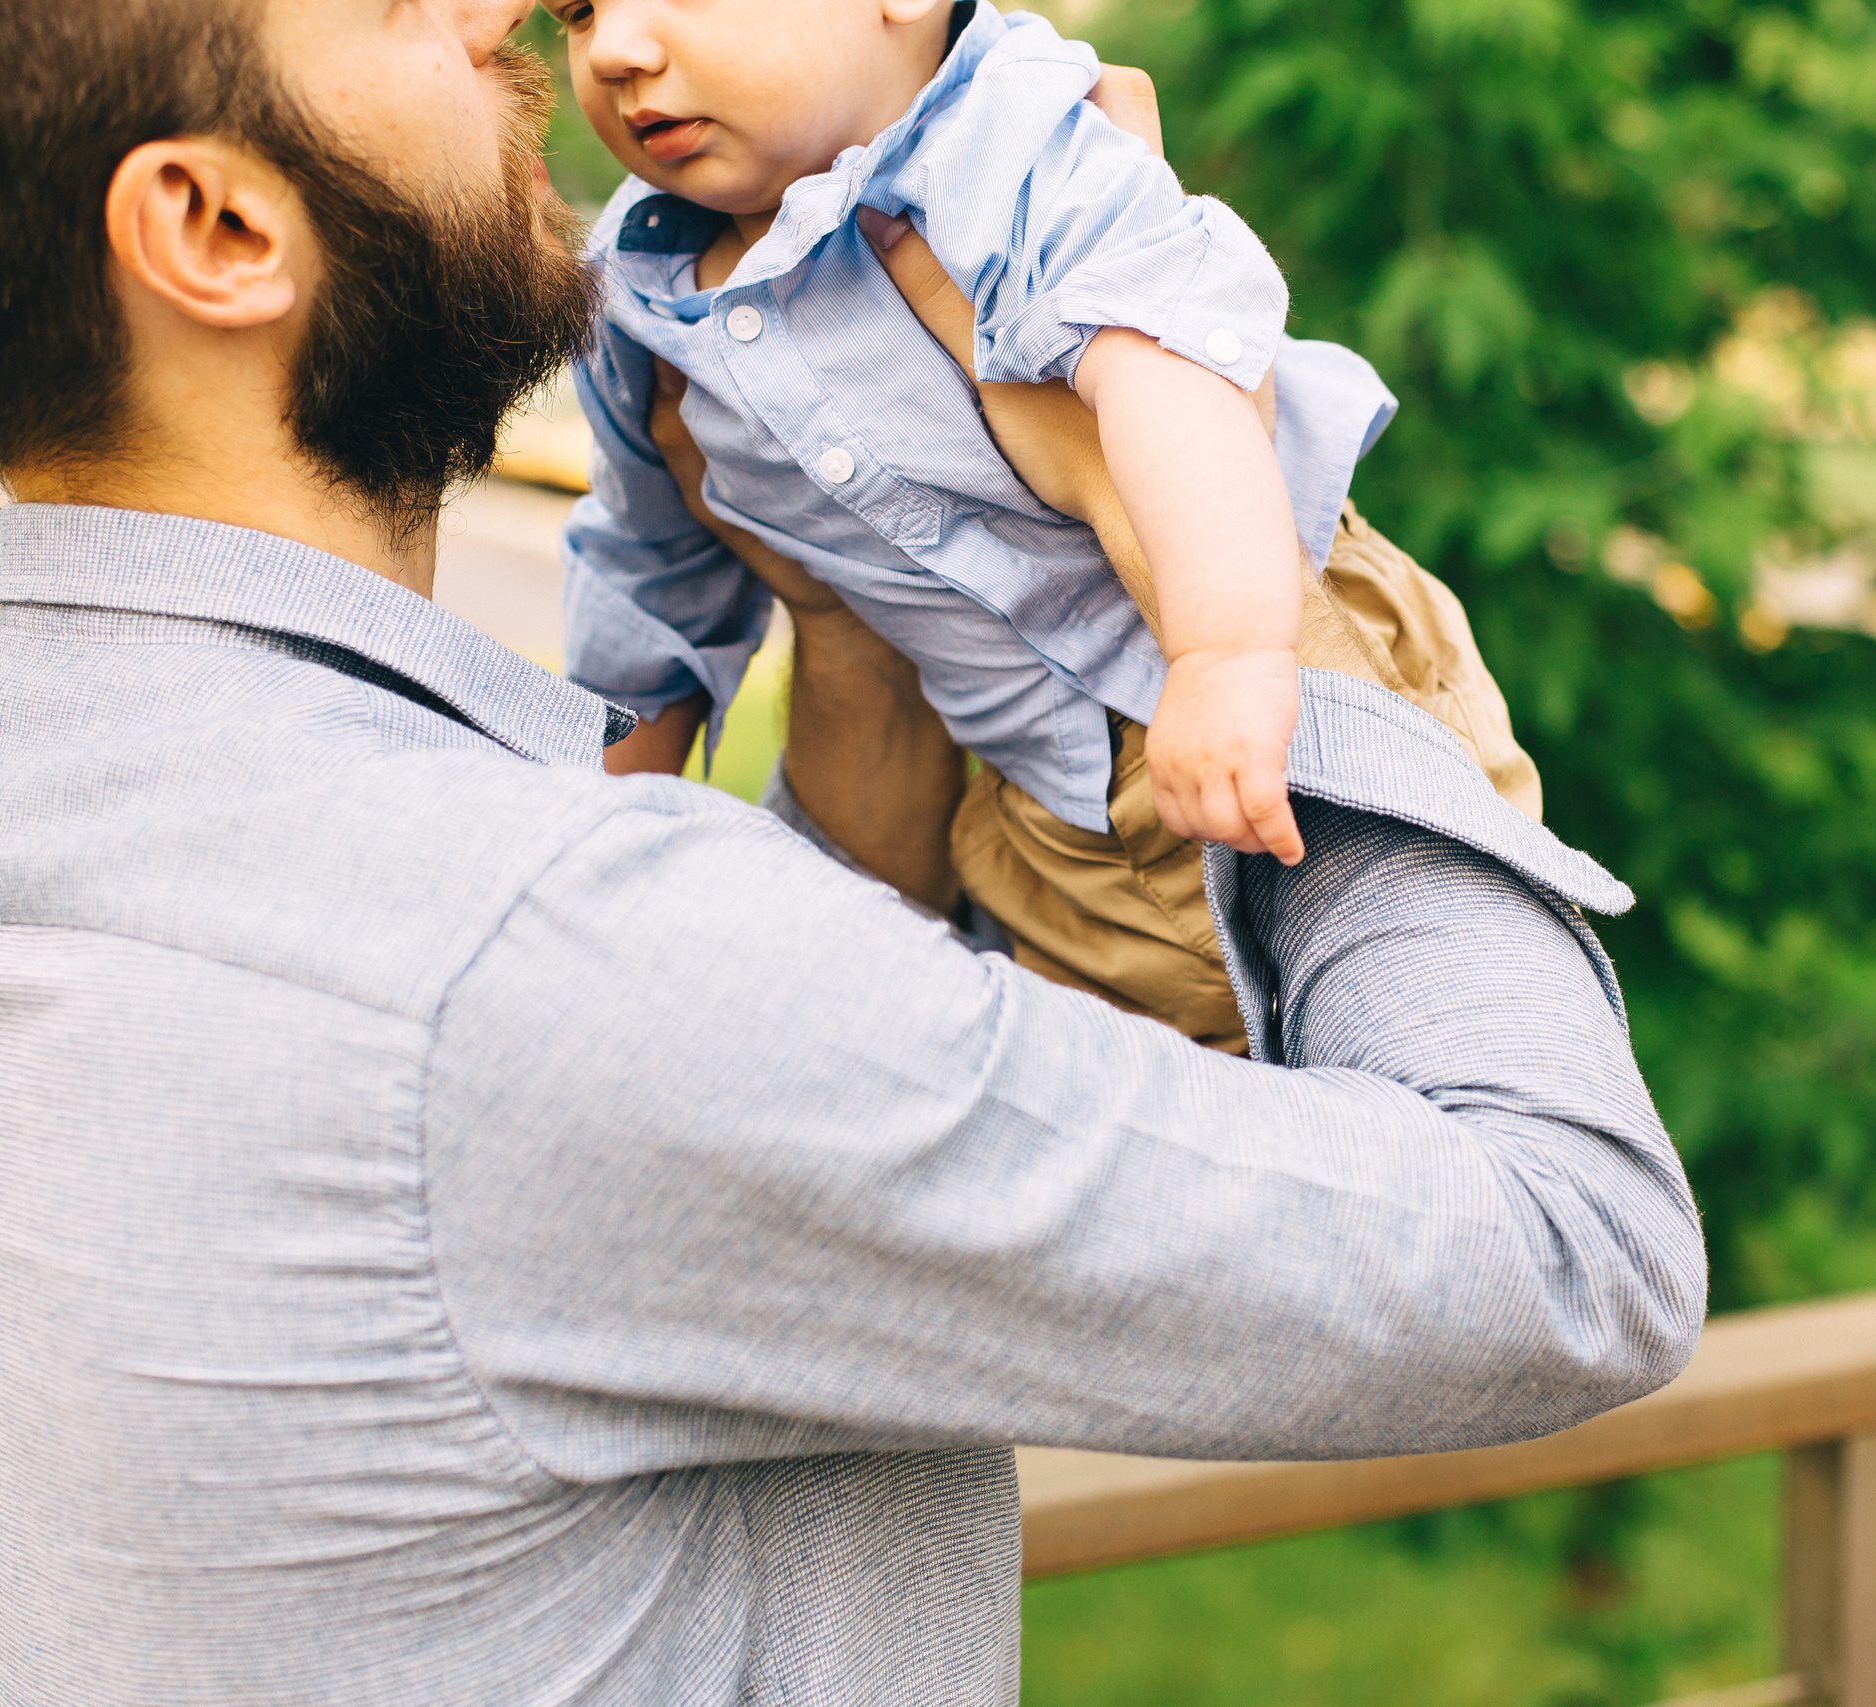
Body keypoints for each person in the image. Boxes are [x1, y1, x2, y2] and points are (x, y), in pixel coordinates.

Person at [0, 2, 1703, 1704]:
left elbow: (715, 1133)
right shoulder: (541, 959)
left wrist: (863, 592)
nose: (509, 14)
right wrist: (1225, 576)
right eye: (384, 4)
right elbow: (1568, 1250)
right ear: (211, 226)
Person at [557, 0, 1544, 1051]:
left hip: (1277, 659)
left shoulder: (1008, 137)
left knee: (1440, 1023)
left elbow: (1164, 374)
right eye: (575, 11)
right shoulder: (631, 297)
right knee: (1171, 1138)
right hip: (1050, 815)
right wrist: (583, 852)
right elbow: (645, 583)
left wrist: (1223, 653)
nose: (616, 48)